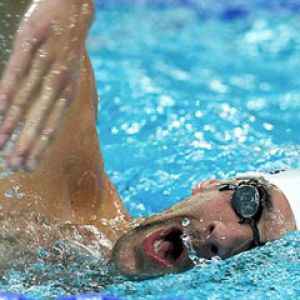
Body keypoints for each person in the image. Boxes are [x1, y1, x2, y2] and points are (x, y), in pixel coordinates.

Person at [0, 0, 298, 279]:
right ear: (209, 184)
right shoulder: (49, 180)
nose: (222, 237)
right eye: (249, 203)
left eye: (257, 252)